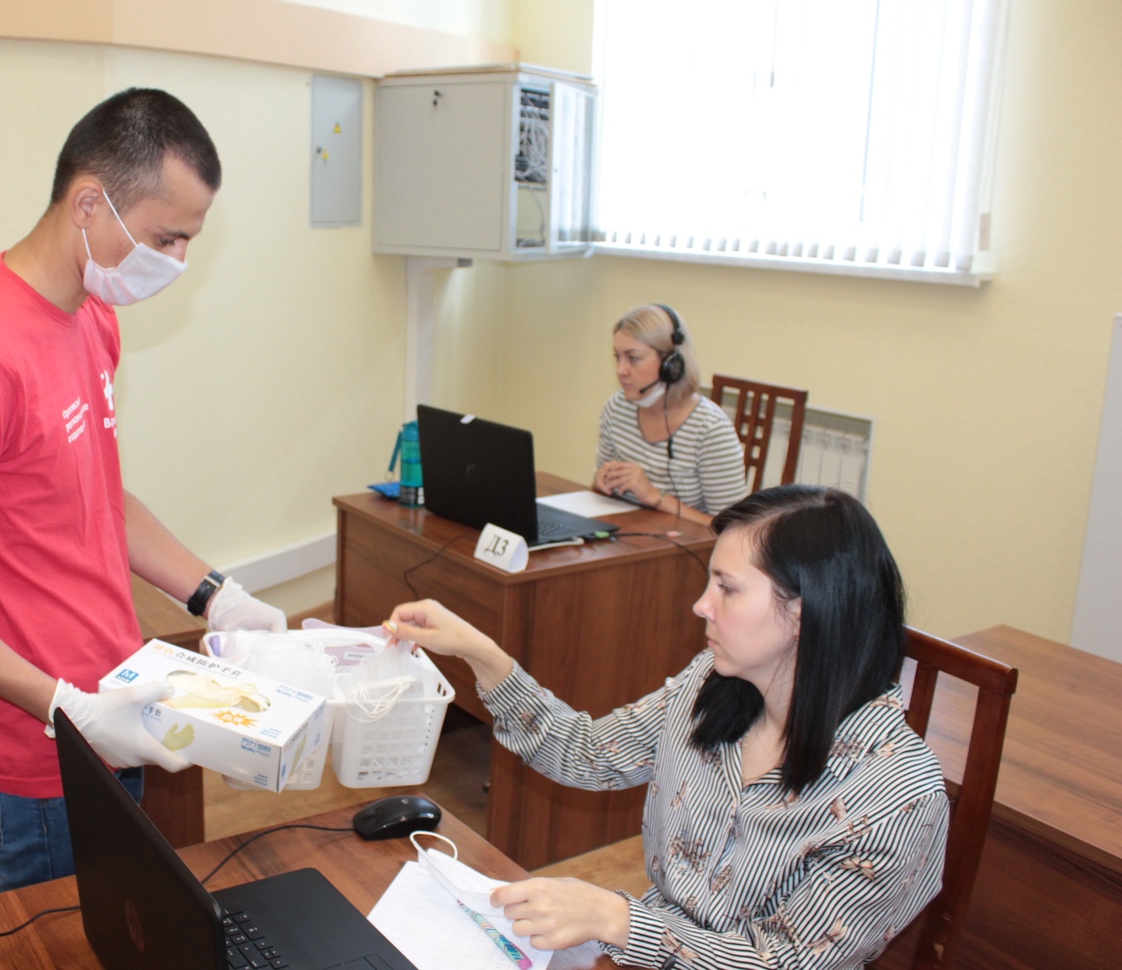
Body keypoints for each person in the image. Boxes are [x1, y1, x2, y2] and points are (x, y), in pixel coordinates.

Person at [0, 88, 287, 893]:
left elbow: (94, 491)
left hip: (114, 707)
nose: (178, 262)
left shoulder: (92, 315)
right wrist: (65, 705)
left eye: (189, 240)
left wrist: (216, 594)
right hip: (38, 746)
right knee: (55, 941)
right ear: (89, 204)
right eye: (166, 238)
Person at [386, 485, 948, 969]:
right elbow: (591, 754)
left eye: (727, 588)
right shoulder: (713, 683)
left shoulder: (896, 798)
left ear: (803, 611)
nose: (701, 605)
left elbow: (781, 962)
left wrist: (619, 919)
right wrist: (480, 652)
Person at [594, 303, 747, 522]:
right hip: (628, 531)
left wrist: (654, 496)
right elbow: (599, 490)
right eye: (617, 357)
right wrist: (602, 480)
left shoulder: (710, 428)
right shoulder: (617, 407)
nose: (621, 371)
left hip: (682, 542)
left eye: (633, 358)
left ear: (671, 364)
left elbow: (731, 528)